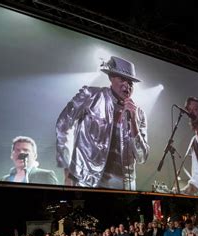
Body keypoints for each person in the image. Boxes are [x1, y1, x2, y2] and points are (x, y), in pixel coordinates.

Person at [56, 56, 149, 190]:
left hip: (124, 188)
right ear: (111, 78)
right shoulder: (91, 95)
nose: (127, 85)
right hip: (88, 181)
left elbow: (142, 157)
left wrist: (133, 122)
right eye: (122, 79)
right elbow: (63, 123)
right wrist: (66, 167)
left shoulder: (139, 113)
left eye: (131, 83)